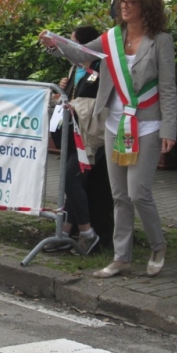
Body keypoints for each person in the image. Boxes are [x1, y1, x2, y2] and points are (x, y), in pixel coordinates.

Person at [40, 0, 177, 278]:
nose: (123, 6)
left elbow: (168, 88)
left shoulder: (160, 41)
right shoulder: (112, 38)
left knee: (139, 193)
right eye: (122, 1)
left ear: (146, 6)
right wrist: (55, 44)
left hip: (147, 124)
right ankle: (121, 257)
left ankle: (158, 245)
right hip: (114, 123)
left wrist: (169, 128)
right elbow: (80, 53)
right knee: (120, 195)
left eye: (130, 1)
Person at [43, 26, 108, 255]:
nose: (71, 49)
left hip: (90, 135)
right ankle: (65, 234)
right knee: (72, 182)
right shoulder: (75, 68)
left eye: (74, 43)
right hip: (72, 133)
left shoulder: (101, 67)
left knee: (71, 180)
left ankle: (89, 235)